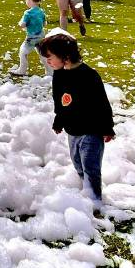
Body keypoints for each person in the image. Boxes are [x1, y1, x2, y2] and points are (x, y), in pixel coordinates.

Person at [42, 29, 115, 211]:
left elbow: (102, 104)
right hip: (72, 130)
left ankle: (95, 200)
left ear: (65, 56)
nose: (47, 61)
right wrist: (59, 120)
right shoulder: (59, 74)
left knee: (90, 165)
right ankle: (86, 192)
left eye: (50, 57)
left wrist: (107, 128)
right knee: (77, 163)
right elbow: (59, 99)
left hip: (92, 130)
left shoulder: (89, 76)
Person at [9, 0, 48, 76]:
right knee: (42, 53)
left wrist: (20, 25)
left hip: (31, 37)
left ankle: (22, 70)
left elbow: (22, 24)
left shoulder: (28, 13)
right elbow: (45, 23)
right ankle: (49, 71)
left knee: (23, 52)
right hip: (41, 35)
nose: (26, 1)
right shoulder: (41, 11)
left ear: (30, 1)